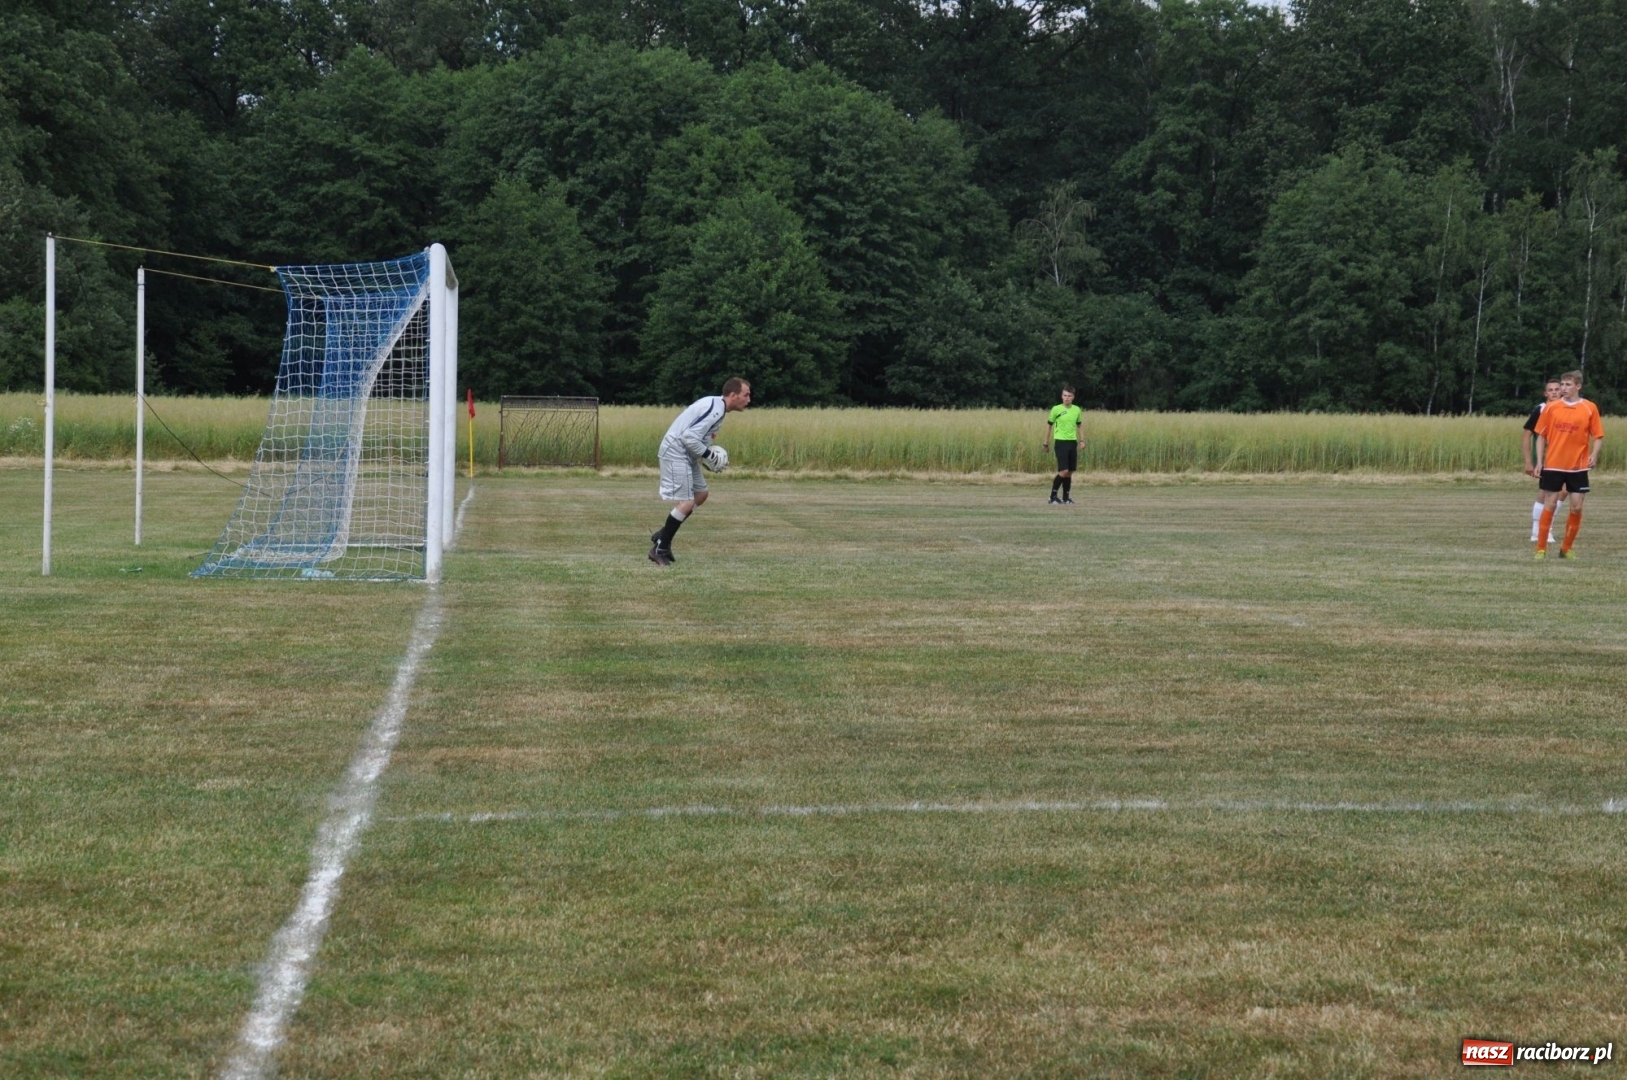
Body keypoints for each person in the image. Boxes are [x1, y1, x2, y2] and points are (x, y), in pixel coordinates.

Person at [648, 378, 752, 566]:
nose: (749, 399)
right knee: (687, 502)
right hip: (676, 452)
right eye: (746, 394)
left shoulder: (717, 407)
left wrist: (706, 456)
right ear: (733, 395)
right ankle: (660, 549)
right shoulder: (715, 408)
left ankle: (664, 535)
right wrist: (709, 455)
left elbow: (696, 438)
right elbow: (688, 437)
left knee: (701, 494)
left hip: (686, 454)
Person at [1529, 369, 1604, 559]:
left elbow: (1598, 436)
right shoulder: (1551, 408)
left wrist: (1594, 455)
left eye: (1567, 385)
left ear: (1578, 386)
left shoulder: (1589, 408)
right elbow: (1540, 436)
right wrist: (1539, 462)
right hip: (1554, 464)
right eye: (1562, 385)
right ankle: (1541, 549)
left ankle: (1566, 549)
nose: (1563, 388)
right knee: (1550, 503)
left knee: (1576, 506)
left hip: (1577, 466)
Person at [1521, 378, 1563, 543]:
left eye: (1557, 389)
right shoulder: (1541, 409)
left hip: (1563, 457)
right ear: (1546, 393)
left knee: (1563, 492)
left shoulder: (1565, 408)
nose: (1554, 392)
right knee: (1547, 493)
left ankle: (1543, 528)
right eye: (1550, 390)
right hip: (1546, 458)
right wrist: (1528, 461)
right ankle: (1540, 530)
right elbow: (1527, 435)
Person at [1043, 387, 1084, 504]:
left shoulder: (1077, 410)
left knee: (1070, 471)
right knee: (1064, 470)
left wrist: (1082, 440)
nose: (1067, 398)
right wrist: (1045, 442)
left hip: (1072, 442)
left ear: (1073, 397)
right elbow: (1049, 426)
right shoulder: (1056, 409)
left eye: (1069, 396)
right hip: (1061, 442)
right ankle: (1052, 496)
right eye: (1065, 395)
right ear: (1062, 396)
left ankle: (1066, 498)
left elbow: (1079, 425)